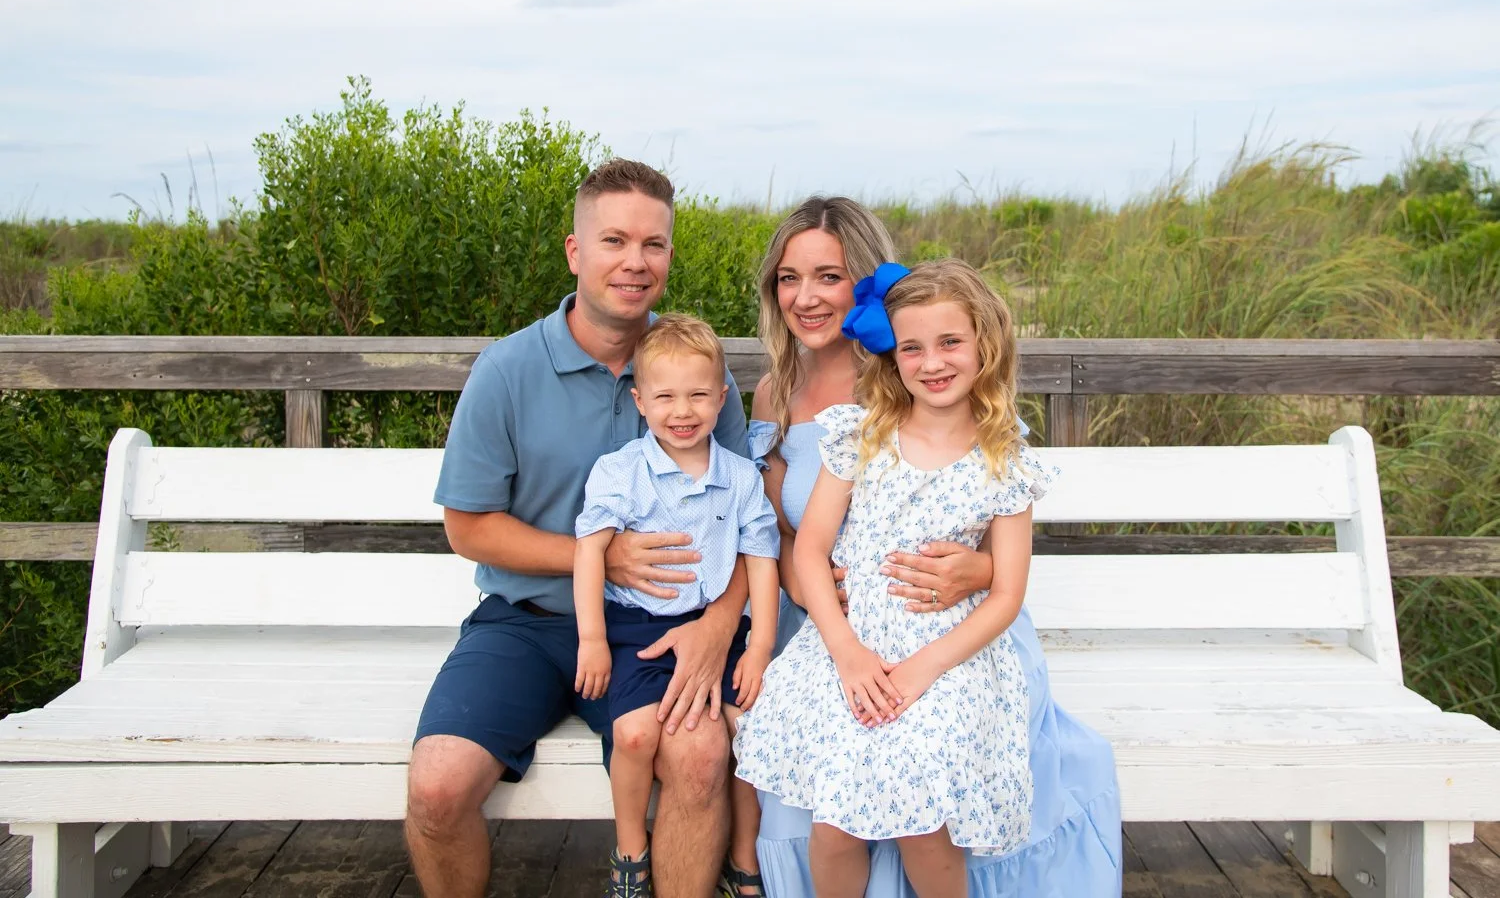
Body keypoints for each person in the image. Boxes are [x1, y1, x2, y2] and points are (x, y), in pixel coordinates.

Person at [746, 197, 1121, 897]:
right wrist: (847, 647)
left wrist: (931, 647)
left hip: (947, 646)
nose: (931, 361)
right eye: (788, 279)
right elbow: (800, 543)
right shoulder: (844, 423)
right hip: (847, 639)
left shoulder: (995, 451)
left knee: (924, 817)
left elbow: (1006, 586)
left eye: (827, 277)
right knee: (833, 822)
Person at [406, 159, 752, 898]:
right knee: (437, 788)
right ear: (574, 251)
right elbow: (469, 527)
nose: (635, 262)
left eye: (654, 244)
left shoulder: (695, 373)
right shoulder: (507, 370)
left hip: (662, 628)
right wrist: (603, 560)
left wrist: (721, 624)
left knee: (698, 756)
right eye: (614, 240)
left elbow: (747, 528)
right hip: (524, 623)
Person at [574, 313, 782, 897]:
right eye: (664, 396)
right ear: (640, 401)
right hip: (637, 627)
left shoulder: (741, 478)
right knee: (637, 735)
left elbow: (760, 559)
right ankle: (629, 853)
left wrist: (759, 645)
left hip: (719, 628)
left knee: (752, 728)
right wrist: (592, 638)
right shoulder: (620, 473)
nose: (682, 411)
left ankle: (745, 862)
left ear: (722, 398)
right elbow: (589, 553)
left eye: (698, 395)